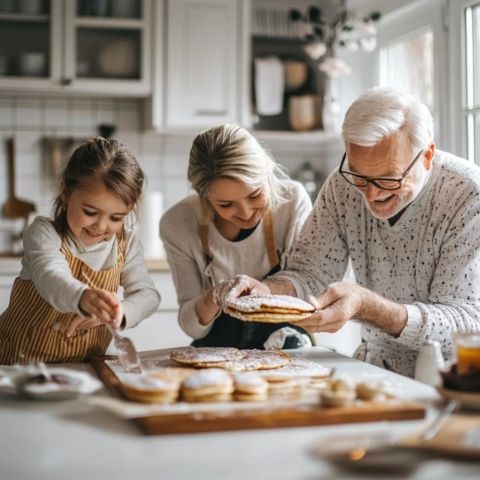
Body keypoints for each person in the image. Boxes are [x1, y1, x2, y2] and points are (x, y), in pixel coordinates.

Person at [215, 87, 480, 377]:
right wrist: (269, 289)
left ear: (427, 155)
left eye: (388, 179)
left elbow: (464, 322)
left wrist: (368, 307)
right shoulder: (342, 186)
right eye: (359, 176)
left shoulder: (468, 196)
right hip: (378, 369)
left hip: (457, 377)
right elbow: (309, 274)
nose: (371, 195)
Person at [0, 137, 161, 364]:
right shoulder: (43, 233)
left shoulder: (127, 244)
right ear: (65, 193)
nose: (101, 226)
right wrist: (83, 298)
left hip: (84, 370)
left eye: (116, 218)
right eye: (90, 212)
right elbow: (51, 277)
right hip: (18, 364)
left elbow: (149, 296)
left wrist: (119, 312)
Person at [160, 124, 312, 349]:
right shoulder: (178, 224)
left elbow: (309, 290)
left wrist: (268, 289)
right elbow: (190, 325)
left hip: (285, 341)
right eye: (226, 204)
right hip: (216, 349)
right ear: (203, 197)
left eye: (255, 195)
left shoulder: (291, 202)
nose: (246, 212)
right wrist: (215, 296)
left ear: (266, 174)